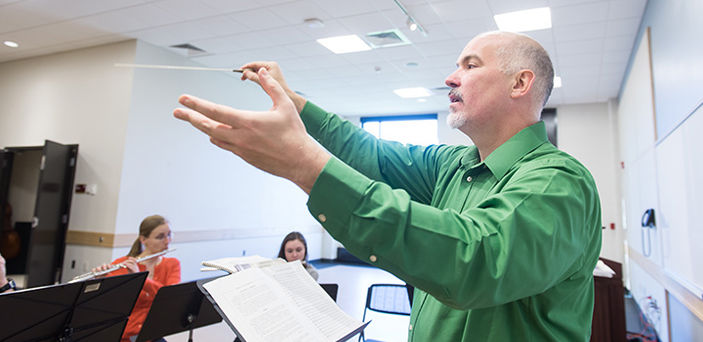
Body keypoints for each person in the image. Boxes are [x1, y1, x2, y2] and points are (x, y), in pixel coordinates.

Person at [173, 31, 602, 341]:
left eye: (470, 65)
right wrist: (294, 101)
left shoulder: (560, 181)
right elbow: (368, 152)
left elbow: (475, 259)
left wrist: (303, 163)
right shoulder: (453, 165)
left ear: (520, 83)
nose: (451, 77)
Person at [92, 215, 180, 342]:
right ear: (143, 239)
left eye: (169, 235)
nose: (167, 241)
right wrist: (100, 281)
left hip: (152, 333)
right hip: (125, 335)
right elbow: (107, 302)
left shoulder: (172, 264)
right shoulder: (123, 264)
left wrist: (141, 279)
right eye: (160, 237)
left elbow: (169, 297)